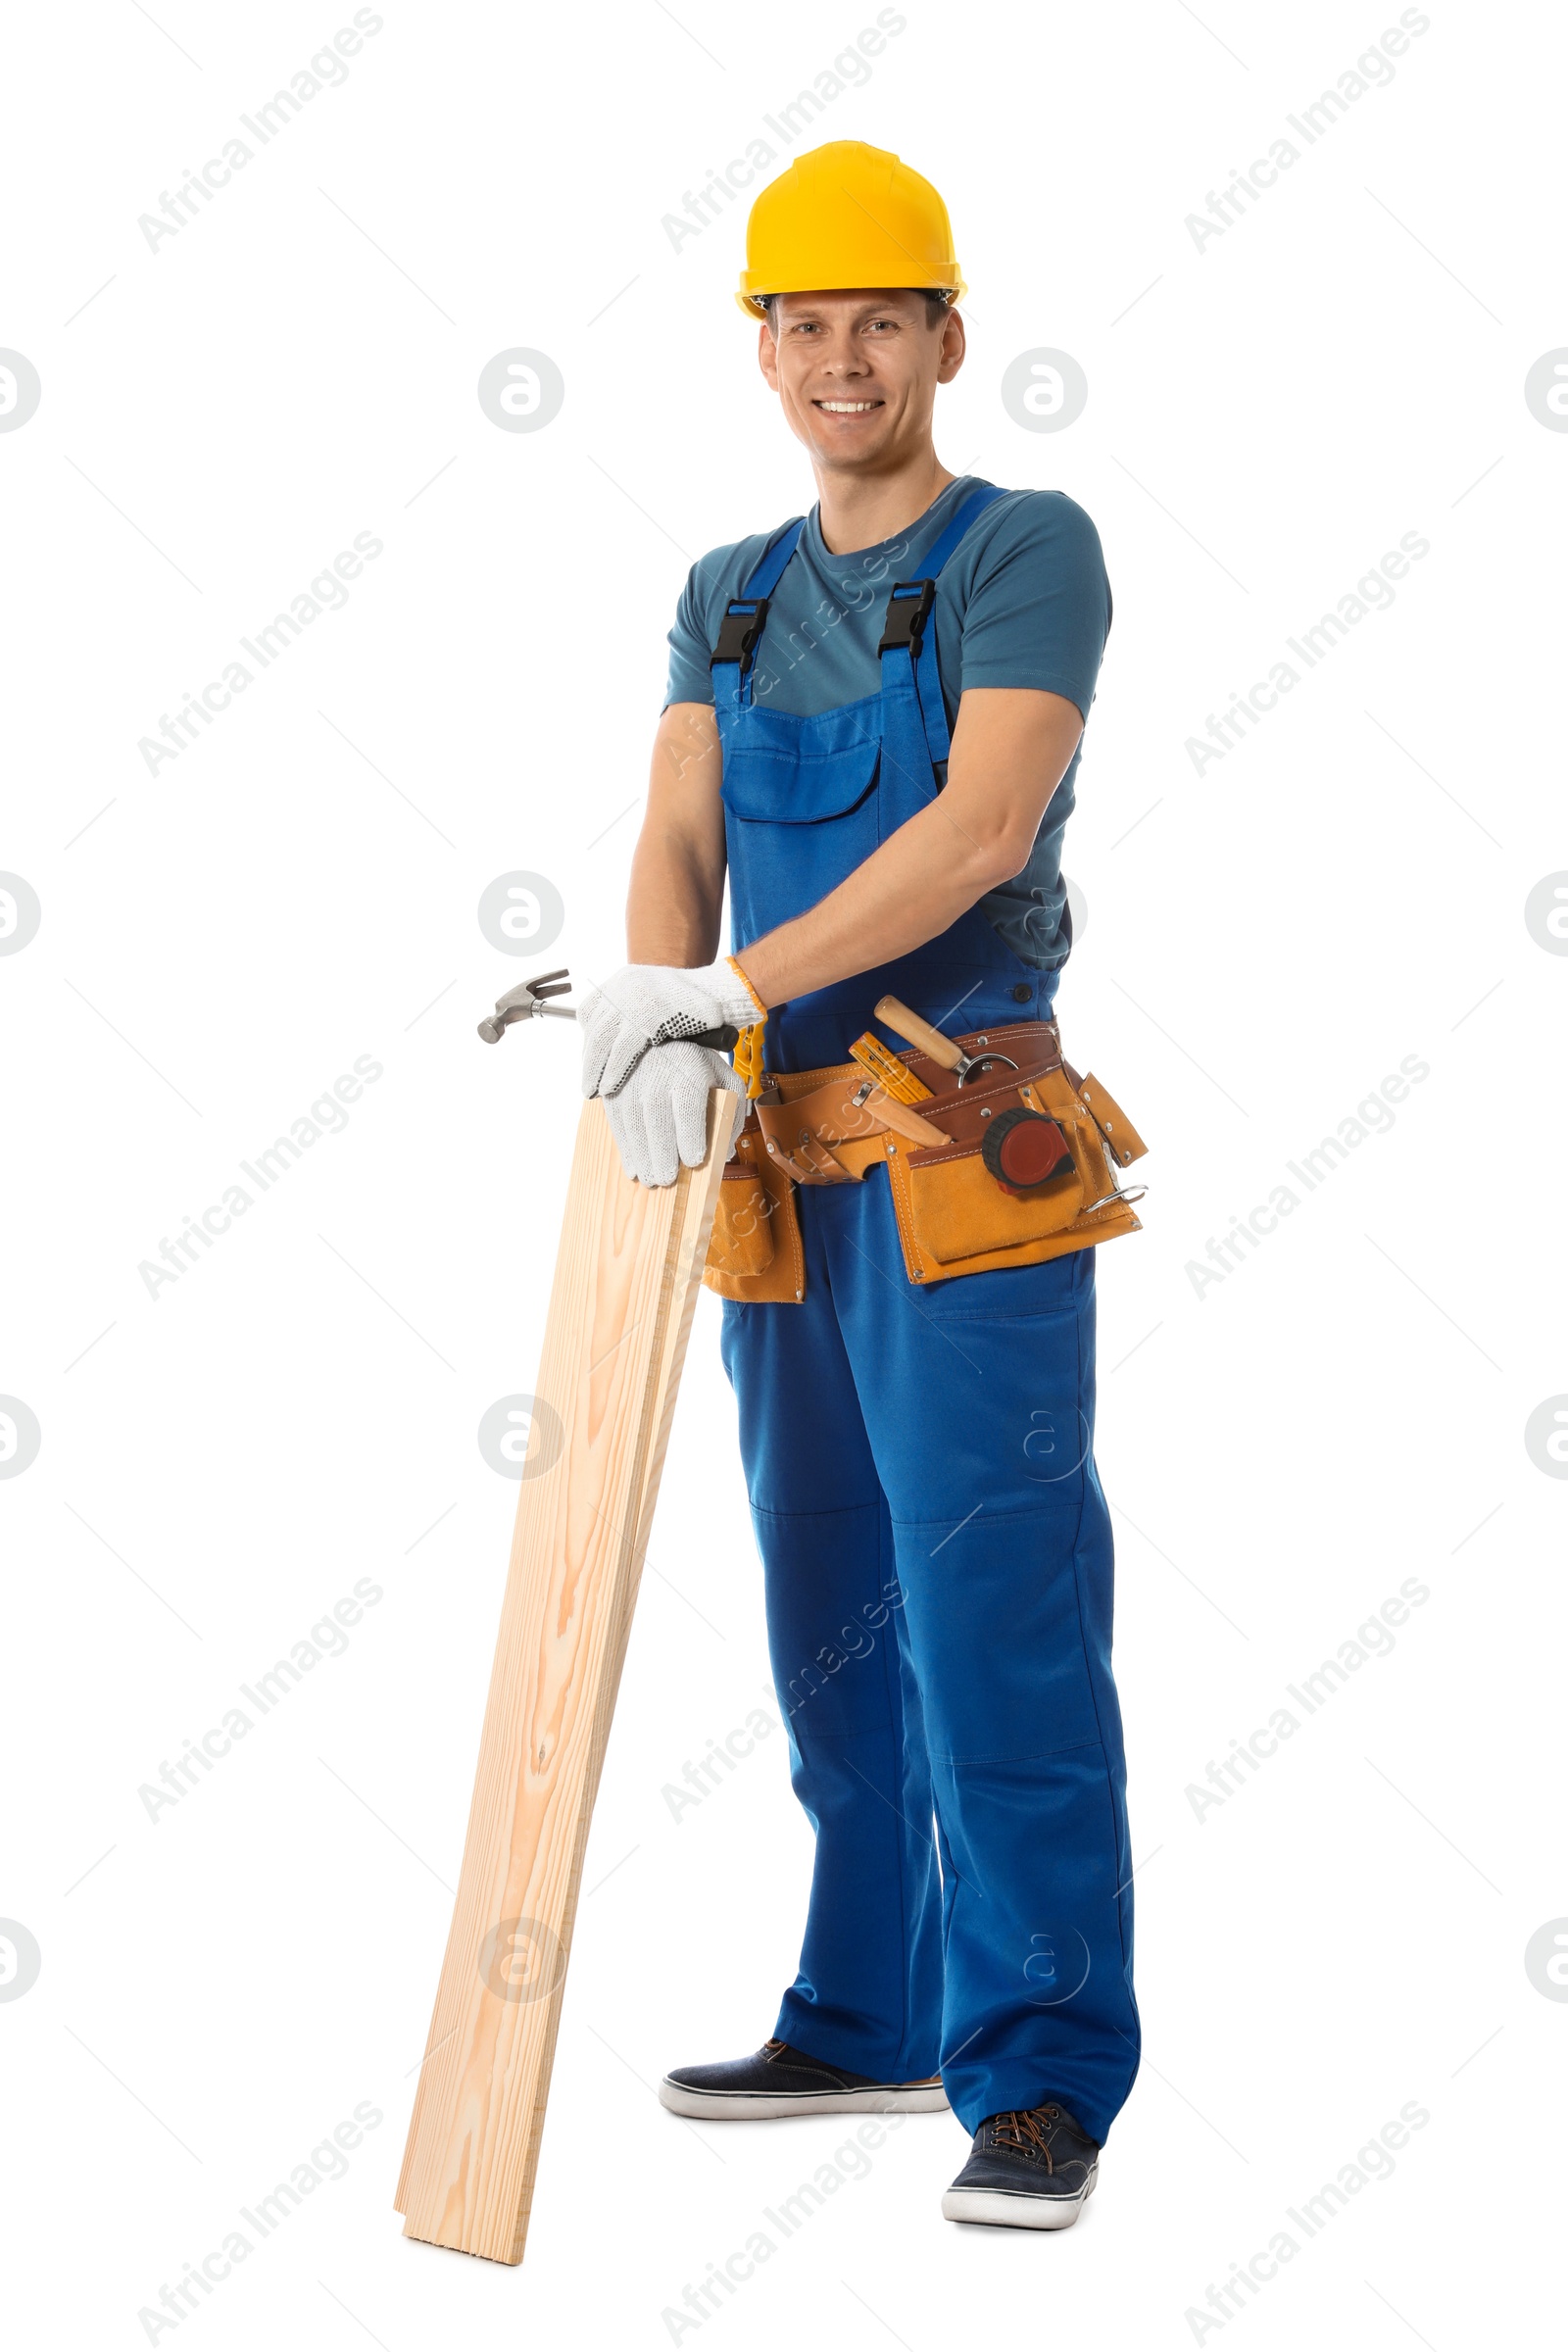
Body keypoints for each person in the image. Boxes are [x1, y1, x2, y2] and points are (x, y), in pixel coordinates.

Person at [579, 139, 1139, 2230]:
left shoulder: (1021, 549)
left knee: (992, 1612)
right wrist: (657, 997)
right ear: (762, 348)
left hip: (961, 1163)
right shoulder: (724, 589)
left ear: (942, 338)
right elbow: (673, 819)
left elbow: (976, 832)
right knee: (828, 1615)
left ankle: (1041, 2073)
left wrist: (724, 984)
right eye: (800, 323)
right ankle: (871, 2008)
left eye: (874, 321)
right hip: (775, 1173)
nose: (837, 357)